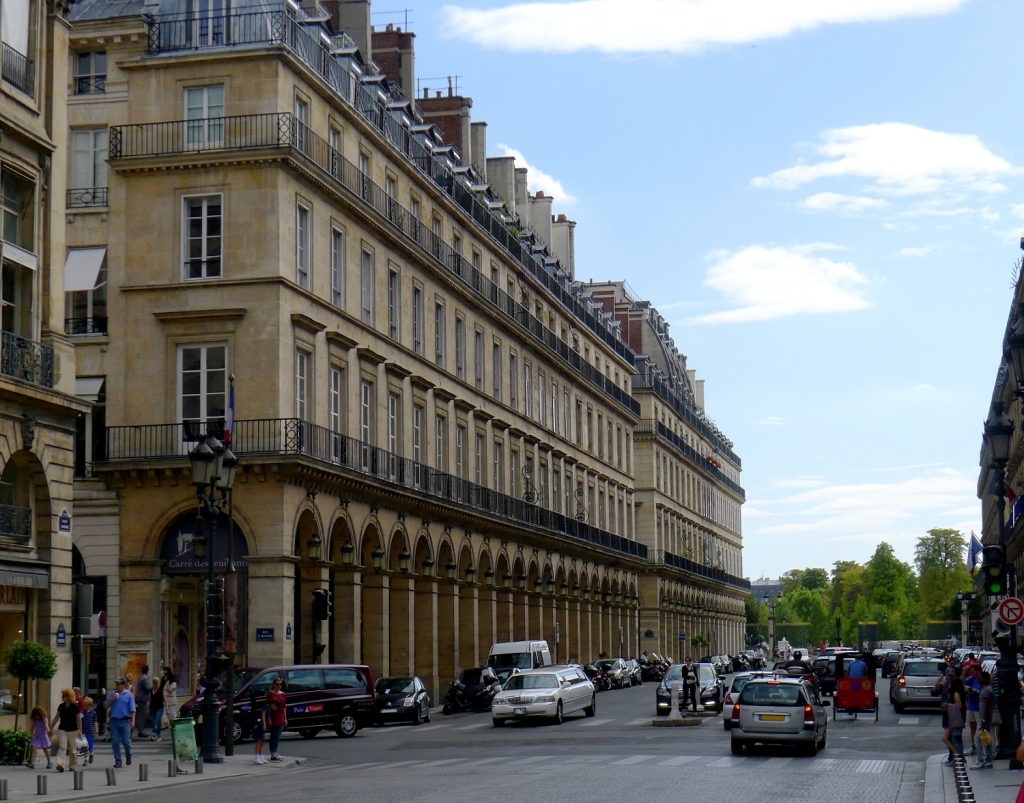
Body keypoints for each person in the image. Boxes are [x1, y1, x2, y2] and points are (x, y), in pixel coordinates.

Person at [105, 675, 136, 768]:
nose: (117, 686)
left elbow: (133, 709)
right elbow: (105, 706)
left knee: (126, 741)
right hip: (114, 720)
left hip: (125, 720)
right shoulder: (112, 694)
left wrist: (133, 721)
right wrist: (112, 700)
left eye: (119, 684)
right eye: (116, 684)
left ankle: (129, 755)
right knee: (115, 742)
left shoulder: (129, 695)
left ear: (123, 685)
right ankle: (118, 760)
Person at [50, 688, 82, 772]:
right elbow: (56, 717)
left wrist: (80, 730)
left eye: (64, 696)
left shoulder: (75, 707)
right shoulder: (61, 706)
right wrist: (51, 727)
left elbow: (78, 719)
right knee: (62, 747)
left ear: (68, 697)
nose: (62, 697)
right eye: (62, 696)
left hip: (73, 730)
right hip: (63, 729)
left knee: (72, 749)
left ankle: (73, 765)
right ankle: (60, 764)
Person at [971, 671, 994, 770]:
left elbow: (985, 706)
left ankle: (980, 760)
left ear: (984, 679)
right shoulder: (987, 689)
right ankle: (988, 760)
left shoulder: (985, 691)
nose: (979, 680)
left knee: (979, 740)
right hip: (987, 719)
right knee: (986, 739)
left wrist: (983, 721)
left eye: (980, 678)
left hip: (984, 719)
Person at [943, 673, 966, 765]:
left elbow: (959, 706)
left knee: (954, 738)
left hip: (955, 719)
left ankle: (959, 756)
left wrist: (948, 705)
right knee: (954, 738)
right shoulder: (959, 692)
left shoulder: (956, 693)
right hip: (955, 718)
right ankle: (958, 756)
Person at [265, 676, 287, 761]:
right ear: (273, 685)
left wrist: (285, 718)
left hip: (280, 716)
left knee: (278, 736)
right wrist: (268, 718)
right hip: (273, 716)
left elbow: (284, 707)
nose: (279, 686)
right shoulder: (270, 694)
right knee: (273, 735)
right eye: (277, 684)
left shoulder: (282, 694)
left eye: (280, 684)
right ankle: (272, 753)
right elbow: (267, 707)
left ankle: (275, 752)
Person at [26, 705, 52, 769]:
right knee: (33, 748)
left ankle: (49, 762)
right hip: (37, 736)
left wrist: (48, 731)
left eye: (37, 715)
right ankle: (32, 763)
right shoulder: (35, 720)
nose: (36, 717)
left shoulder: (44, 719)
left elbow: (46, 726)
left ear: (40, 714)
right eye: (35, 715)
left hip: (43, 736)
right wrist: (31, 733)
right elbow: (33, 726)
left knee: (45, 749)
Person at [963, 664, 982, 755]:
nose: (972, 673)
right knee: (972, 726)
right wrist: (968, 688)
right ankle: (973, 745)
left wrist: (978, 691)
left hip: (979, 706)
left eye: (973, 671)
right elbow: (963, 683)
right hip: (971, 705)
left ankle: (980, 745)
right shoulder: (971, 679)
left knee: (980, 727)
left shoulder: (982, 679)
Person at [134, 666, 152, 738]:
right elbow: (147, 688)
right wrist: (153, 686)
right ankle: (140, 731)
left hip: (140, 699)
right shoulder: (144, 679)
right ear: (147, 671)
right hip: (142, 699)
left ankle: (140, 730)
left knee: (141, 715)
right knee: (142, 715)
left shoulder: (141, 678)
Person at [149, 672, 165, 742]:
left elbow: (164, 698)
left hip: (160, 708)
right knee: (156, 722)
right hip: (153, 707)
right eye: (154, 682)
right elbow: (150, 699)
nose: (155, 684)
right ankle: (159, 736)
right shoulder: (151, 689)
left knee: (156, 721)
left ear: (158, 683)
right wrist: (148, 707)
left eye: (156, 682)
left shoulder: (161, 689)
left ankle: (153, 734)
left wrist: (167, 708)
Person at [80, 697, 97, 765]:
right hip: (84, 732)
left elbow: (95, 722)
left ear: (90, 705)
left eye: (86, 705)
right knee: (84, 746)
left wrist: (96, 731)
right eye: (84, 705)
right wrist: (79, 730)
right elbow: (80, 722)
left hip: (90, 732)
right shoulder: (82, 713)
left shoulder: (93, 713)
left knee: (90, 746)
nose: (84, 706)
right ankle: (86, 759)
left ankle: (91, 754)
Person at [252, 696, 268, 765]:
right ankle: (257, 757)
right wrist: (264, 724)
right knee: (259, 740)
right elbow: (263, 714)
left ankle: (260, 756)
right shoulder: (263, 704)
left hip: (259, 723)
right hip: (259, 723)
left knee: (262, 741)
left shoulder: (260, 704)